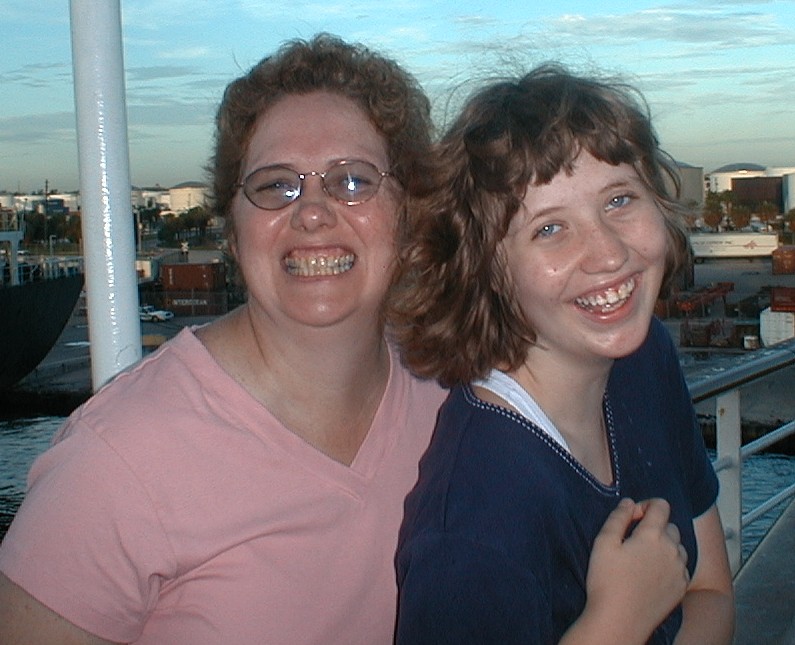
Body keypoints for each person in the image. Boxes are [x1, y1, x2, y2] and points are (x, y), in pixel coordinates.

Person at [0, 34, 447, 644]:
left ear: (409, 213)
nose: (312, 210)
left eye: (352, 181)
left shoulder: (454, 399)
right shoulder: (116, 460)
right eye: (274, 185)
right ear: (233, 232)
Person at [390, 64, 735, 644]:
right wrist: (616, 623)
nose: (606, 252)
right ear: (484, 270)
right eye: (549, 229)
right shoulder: (471, 531)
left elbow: (711, 593)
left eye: (620, 199)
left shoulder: (643, 360)